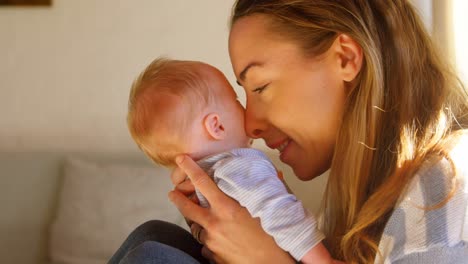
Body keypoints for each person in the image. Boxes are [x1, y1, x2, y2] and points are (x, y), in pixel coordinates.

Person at [109, 0, 468, 263]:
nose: (250, 124)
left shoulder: (445, 188)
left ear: (344, 58)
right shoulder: (359, 206)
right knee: (152, 239)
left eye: (260, 87)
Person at [112, 57, 333, 263]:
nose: (248, 111)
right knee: (152, 233)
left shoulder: (232, 168)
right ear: (216, 126)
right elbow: (282, 213)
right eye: (236, 101)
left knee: (149, 250)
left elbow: (280, 213)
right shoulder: (239, 164)